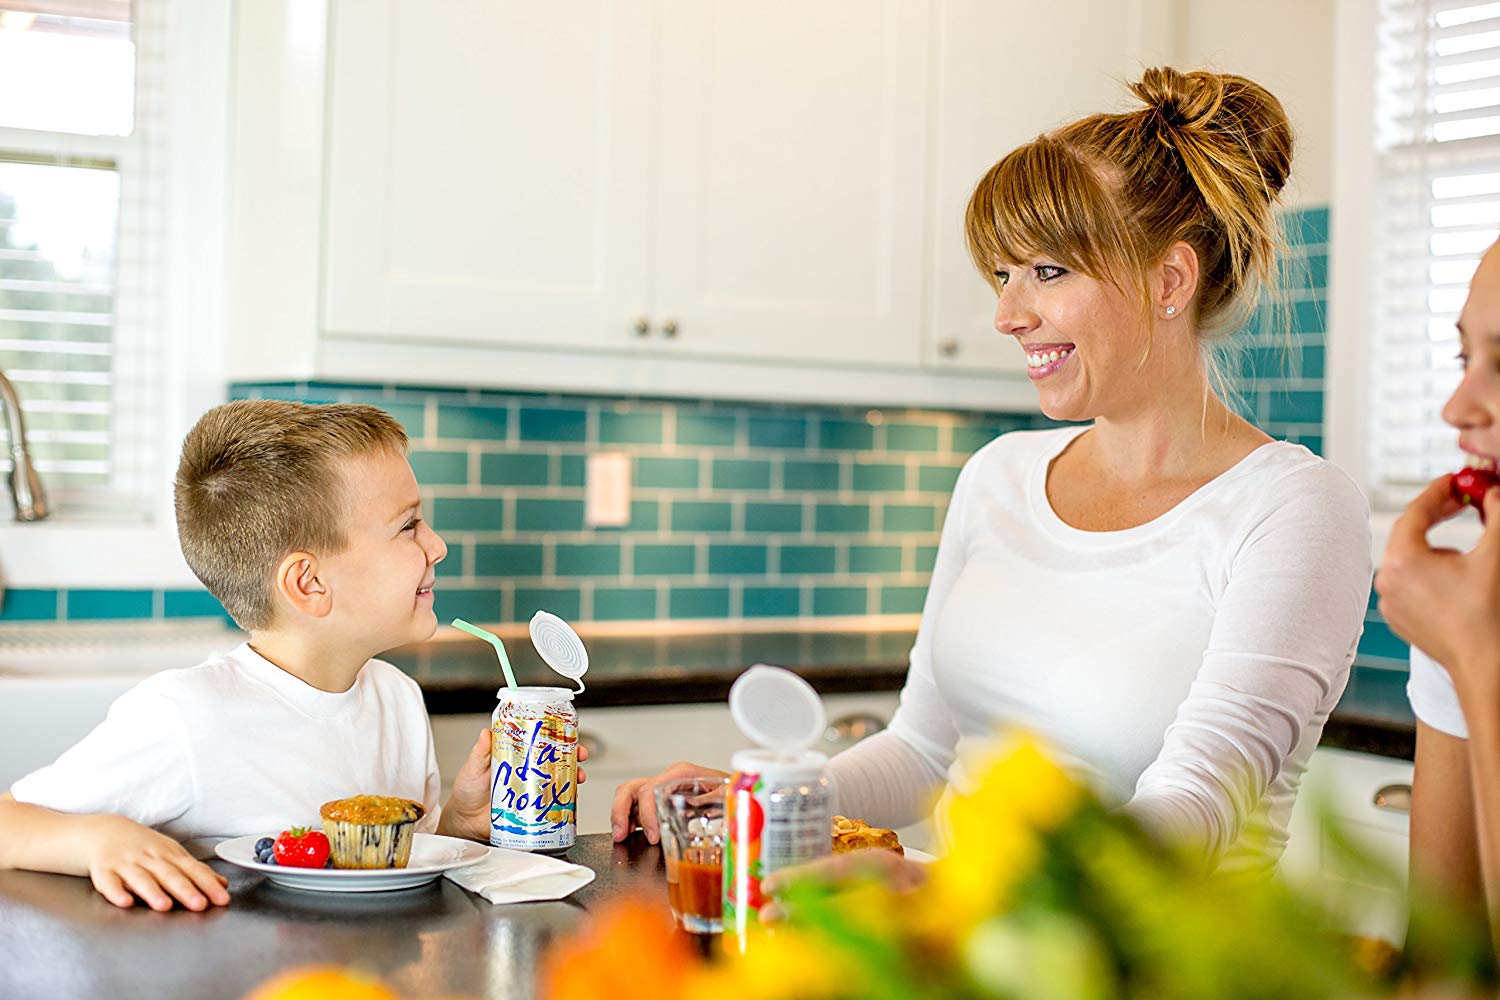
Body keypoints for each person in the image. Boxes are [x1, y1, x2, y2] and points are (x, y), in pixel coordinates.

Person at [612, 67, 1373, 874]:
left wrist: (925, 889)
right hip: (969, 952)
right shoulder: (999, 476)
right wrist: (757, 800)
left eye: (1048, 271)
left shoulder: (1293, 507)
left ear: (1169, 281)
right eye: (1003, 275)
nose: (1009, 314)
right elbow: (923, 753)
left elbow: (1194, 811)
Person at [0, 401, 501, 910]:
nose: (436, 546)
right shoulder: (186, 716)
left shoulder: (398, 699)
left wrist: (460, 826)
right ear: (309, 583)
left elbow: (397, 867)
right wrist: (96, 839)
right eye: (408, 526)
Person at [1375, 238, 1500, 952]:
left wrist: (1477, 658)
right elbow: (1446, 964)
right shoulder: (1466, 594)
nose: (1458, 407)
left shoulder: (1468, 628)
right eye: (1465, 358)